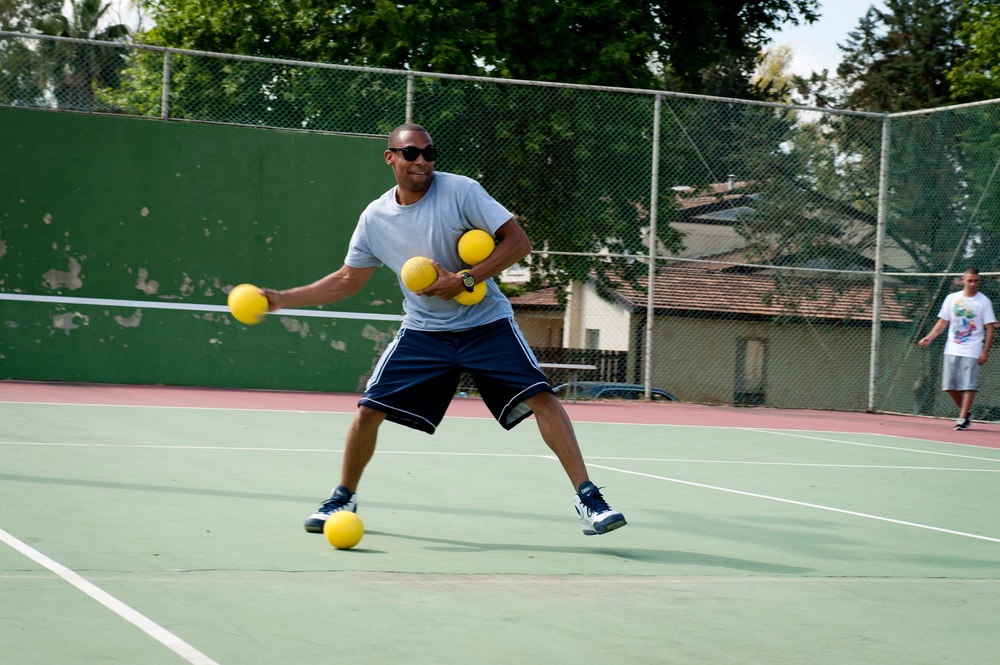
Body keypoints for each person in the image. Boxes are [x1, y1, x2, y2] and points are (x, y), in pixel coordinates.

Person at [261, 122, 627, 536]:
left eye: (429, 153)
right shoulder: (376, 218)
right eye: (411, 153)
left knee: (540, 397)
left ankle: (589, 499)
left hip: (485, 324)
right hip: (423, 331)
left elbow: (517, 242)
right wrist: (282, 299)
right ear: (391, 158)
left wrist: (465, 280)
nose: (422, 161)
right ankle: (342, 497)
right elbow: (348, 280)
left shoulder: (462, 191)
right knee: (368, 410)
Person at [918, 267, 995, 430]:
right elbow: (942, 323)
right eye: (970, 280)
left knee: (968, 385)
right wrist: (929, 337)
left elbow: (990, 328)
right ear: (963, 281)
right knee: (950, 386)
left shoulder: (983, 302)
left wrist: (985, 351)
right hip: (952, 348)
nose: (973, 284)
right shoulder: (951, 299)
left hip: (973, 349)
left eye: (976, 281)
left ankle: (962, 418)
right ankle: (966, 412)